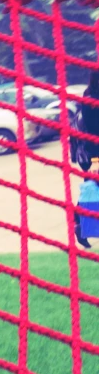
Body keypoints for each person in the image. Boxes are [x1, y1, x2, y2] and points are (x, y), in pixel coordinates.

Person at [75, 71, 99, 247]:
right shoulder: (91, 100)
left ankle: (78, 222)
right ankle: (79, 225)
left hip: (91, 153)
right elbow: (93, 133)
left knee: (92, 191)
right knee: (92, 191)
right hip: (92, 154)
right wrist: (96, 161)